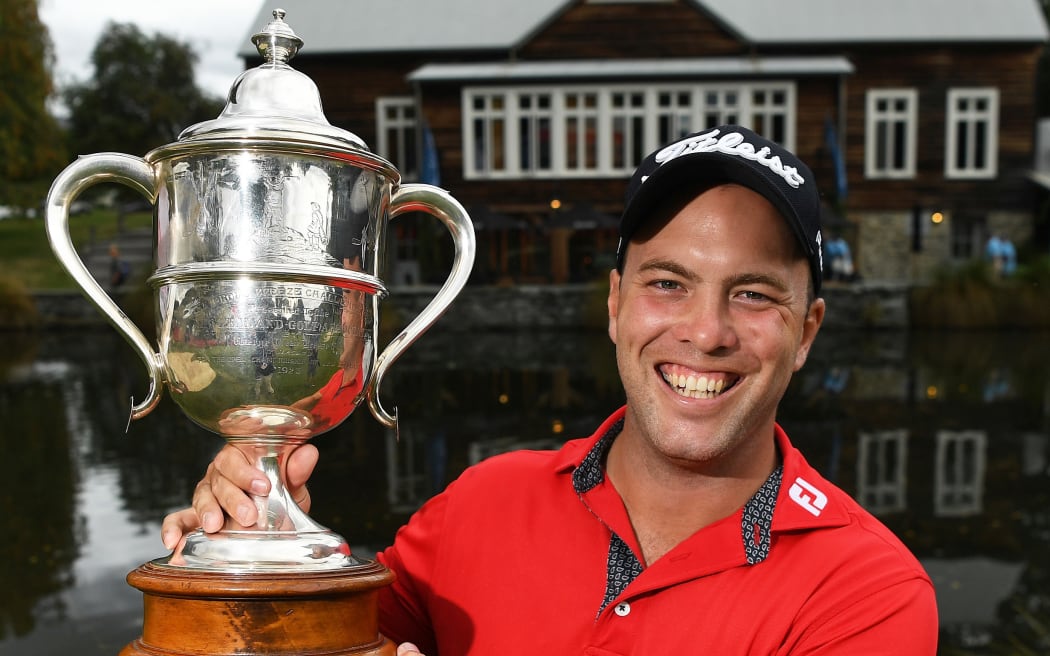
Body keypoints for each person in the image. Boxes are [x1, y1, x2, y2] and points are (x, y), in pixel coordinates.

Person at [162, 125, 938, 655]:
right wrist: (245, 557)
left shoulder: (866, 593)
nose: (706, 331)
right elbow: (321, 640)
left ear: (806, 331)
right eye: (668, 283)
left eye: (754, 294)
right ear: (614, 304)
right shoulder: (477, 505)